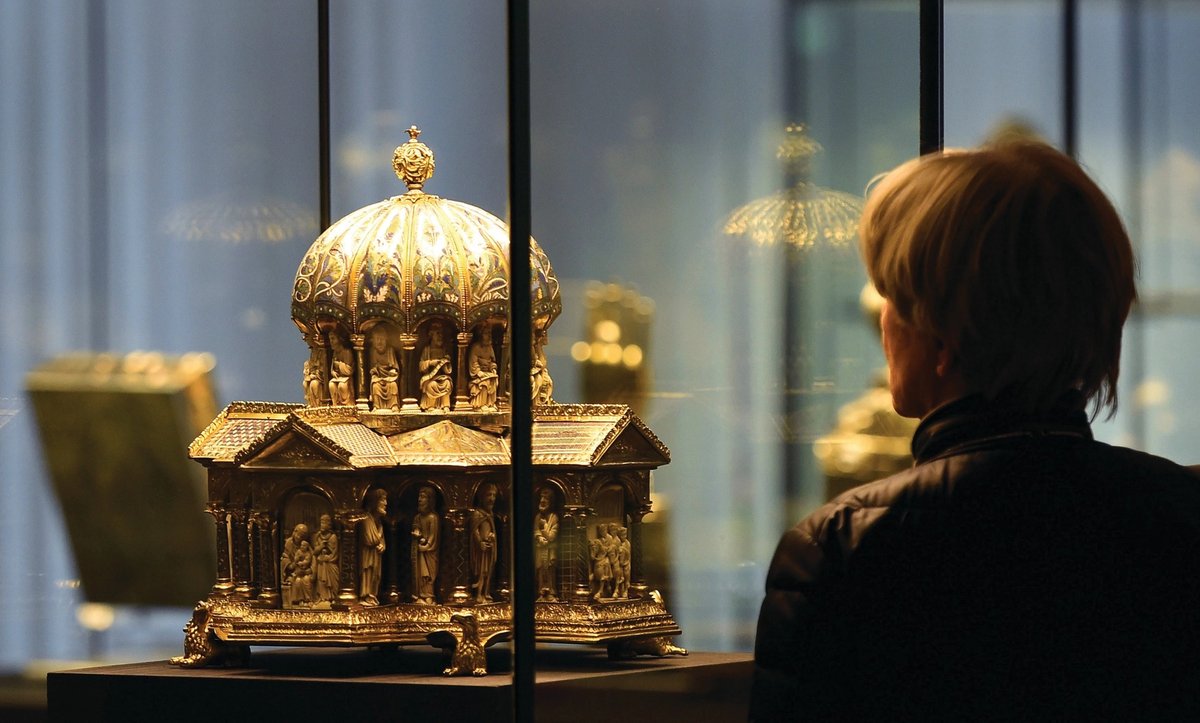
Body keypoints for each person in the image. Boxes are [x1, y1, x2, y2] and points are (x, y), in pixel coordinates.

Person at [751, 141, 1200, 721]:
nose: (882, 319)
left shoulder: (844, 547)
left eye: (891, 294)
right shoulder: (1182, 516)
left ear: (943, 335)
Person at [469, 482, 498, 603]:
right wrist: (480, 542)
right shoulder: (478, 513)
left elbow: (492, 529)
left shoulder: (490, 514)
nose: (491, 499)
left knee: (488, 570)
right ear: (481, 497)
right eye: (488, 495)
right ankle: (479, 594)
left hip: (489, 546)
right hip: (480, 548)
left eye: (493, 495)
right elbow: (475, 530)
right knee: (481, 571)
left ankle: (486, 592)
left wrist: (492, 536)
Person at [411, 485, 440, 604]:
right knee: (420, 573)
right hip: (419, 551)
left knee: (428, 575)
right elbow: (416, 528)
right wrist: (417, 534)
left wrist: (426, 546)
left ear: (430, 500)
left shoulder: (433, 517)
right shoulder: (417, 517)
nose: (419, 499)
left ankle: (429, 595)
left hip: (429, 552)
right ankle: (419, 594)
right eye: (419, 496)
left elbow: (433, 536)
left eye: (423, 497)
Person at [359, 489, 386, 606]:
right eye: (383, 500)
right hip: (367, 556)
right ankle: (366, 596)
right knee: (368, 573)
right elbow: (370, 540)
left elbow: (381, 540)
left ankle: (372, 595)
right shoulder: (366, 519)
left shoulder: (378, 521)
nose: (386, 503)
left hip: (376, 556)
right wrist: (378, 541)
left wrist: (383, 545)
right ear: (374, 502)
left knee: (376, 575)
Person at [533, 489, 559, 601]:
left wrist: (544, 529)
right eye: (541, 498)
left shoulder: (554, 518)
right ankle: (541, 592)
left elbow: (552, 536)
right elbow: (535, 530)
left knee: (549, 569)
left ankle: (550, 592)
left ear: (551, 502)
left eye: (546, 499)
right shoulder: (538, 517)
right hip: (540, 548)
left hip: (550, 550)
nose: (542, 501)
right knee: (540, 569)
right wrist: (539, 538)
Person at [313, 514, 339, 604]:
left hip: (330, 563)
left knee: (332, 580)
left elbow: (335, 553)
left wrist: (327, 558)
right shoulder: (318, 536)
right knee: (320, 580)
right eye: (321, 523)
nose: (322, 525)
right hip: (320, 563)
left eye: (324, 523)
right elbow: (315, 551)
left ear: (329, 525)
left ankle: (332, 597)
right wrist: (321, 546)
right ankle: (322, 597)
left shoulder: (333, 537)